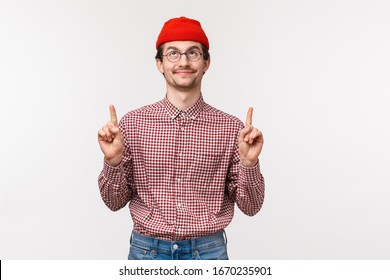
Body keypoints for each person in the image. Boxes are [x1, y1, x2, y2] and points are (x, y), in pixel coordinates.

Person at [97, 16, 265, 260]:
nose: (183, 62)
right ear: (159, 63)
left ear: (206, 62)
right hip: (147, 253)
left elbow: (252, 207)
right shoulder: (132, 124)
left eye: (193, 53)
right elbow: (114, 203)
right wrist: (112, 162)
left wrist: (249, 165)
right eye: (173, 54)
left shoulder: (232, 129)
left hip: (208, 253)